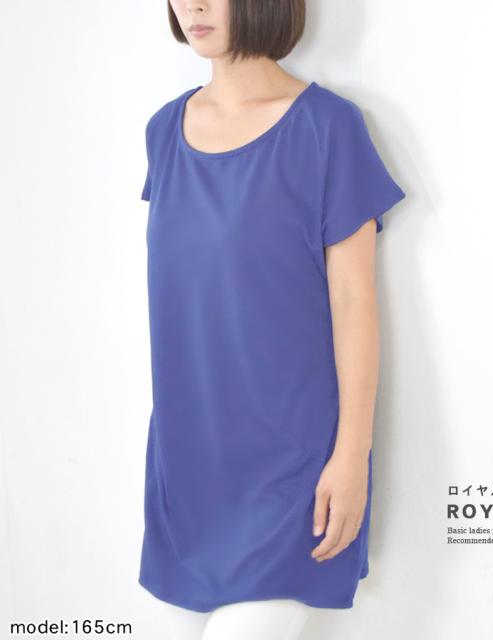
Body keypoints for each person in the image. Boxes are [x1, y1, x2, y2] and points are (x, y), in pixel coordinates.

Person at [138, 1, 407, 638]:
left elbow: (355, 304)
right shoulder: (163, 131)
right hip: (186, 469)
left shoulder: (327, 127)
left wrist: (352, 456)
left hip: (292, 474)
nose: (193, 5)